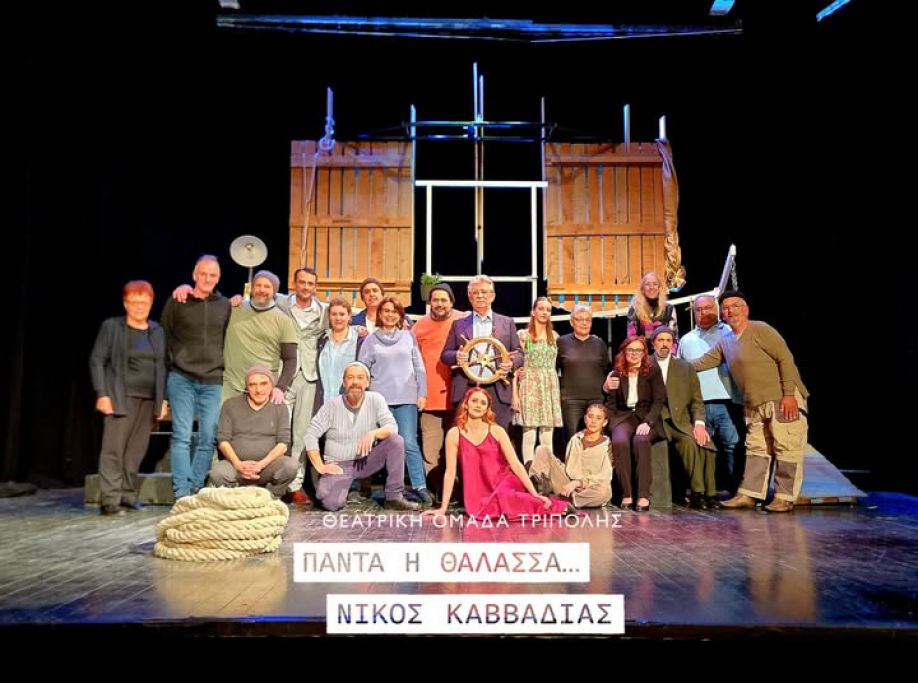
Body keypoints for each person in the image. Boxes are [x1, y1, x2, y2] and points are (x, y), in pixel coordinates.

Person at [692, 290, 809, 513]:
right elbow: (701, 363)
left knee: (787, 447)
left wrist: (788, 395)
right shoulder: (726, 342)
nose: (730, 311)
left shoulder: (760, 329)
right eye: (726, 308)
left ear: (745, 309)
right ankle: (750, 494)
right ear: (722, 314)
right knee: (756, 449)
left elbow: (785, 359)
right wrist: (669, 367)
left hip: (780, 399)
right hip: (753, 404)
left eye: (735, 306)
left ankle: (785, 497)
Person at [424, 388, 569, 521]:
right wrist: (443, 508)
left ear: (487, 409)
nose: (478, 405)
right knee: (487, 510)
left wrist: (534, 494)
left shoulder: (496, 430)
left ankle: (560, 508)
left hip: (504, 482)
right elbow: (450, 472)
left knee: (506, 497)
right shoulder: (454, 434)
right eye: (474, 401)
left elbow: (516, 464)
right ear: (466, 404)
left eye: (483, 403)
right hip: (477, 495)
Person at [89, 280, 168, 515]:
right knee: (113, 450)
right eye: (134, 302)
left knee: (135, 450)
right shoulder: (112, 327)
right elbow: (97, 360)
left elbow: (163, 366)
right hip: (120, 397)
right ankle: (110, 500)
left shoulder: (157, 331)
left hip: (148, 400)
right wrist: (102, 394)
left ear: (151, 303)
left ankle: (127, 495)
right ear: (125, 304)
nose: (139, 307)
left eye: (144, 302)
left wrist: (163, 400)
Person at [304, 362, 420, 512]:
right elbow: (310, 434)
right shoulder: (331, 405)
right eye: (350, 378)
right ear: (344, 382)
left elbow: (392, 427)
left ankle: (394, 497)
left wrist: (373, 433)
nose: (355, 382)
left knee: (396, 441)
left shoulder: (376, 399)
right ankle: (341, 489)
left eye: (360, 378)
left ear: (367, 383)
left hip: (366, 462)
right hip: (339, 466)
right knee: (331, 504)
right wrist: (320, 466)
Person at [161, 255, 232, 499]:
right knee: (181, 435)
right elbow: (164, 337)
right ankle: (181, 491)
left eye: (212, 275)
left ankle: (195, 486)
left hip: (212, 379)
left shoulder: (224, 305)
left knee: (208, 436)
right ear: (194, 275)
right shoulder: (178, 300)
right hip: (181, 377)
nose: (207, 279)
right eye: (203, 274)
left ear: (218, 278)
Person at [358, 296, 431, 506]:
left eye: (394, 311)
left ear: (400, 315)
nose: (390, 315)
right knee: (379, 444)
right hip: (379, 400)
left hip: (406, 398)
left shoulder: (408, 336)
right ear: (379, 314)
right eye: (386, 311)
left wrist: (422, 393)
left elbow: (419, 367)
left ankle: (419, 486)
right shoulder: (370, 340)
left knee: (409, 442)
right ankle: (368, 486)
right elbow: (362, 369)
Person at [677, 295, 744, 493]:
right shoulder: (686, 339)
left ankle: (736, 491)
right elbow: (680, 373)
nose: (703, 313)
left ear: (716, 309)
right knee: (703, 448)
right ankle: (706, 491)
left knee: (731, 446)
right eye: (698, 310)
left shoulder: (730, 332)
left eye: (707, 308)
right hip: (699, 405)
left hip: (727, 401)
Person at [441, 275, 524, 430]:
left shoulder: (507, 323)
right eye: (475, 292)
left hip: (498, 389)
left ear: (492, 296)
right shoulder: (458, 324)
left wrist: (510, 363)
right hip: (467, 387)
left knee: (497, 436)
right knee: (465, 436)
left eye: (484, 292)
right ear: (469, 297)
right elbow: (445, 355)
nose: (480, 296)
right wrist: (456, 356)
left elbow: (519, 353)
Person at [275, 267, 328, 505]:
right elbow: (253, 301)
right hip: (283, 375)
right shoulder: (280, 305)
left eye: (310, 283)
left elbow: (348, 317)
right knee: (280, 431)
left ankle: (295, 485)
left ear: (315, 287)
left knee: (302, 433)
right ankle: (277, 482)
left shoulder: (324, 311)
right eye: (302, 282)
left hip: (309, 375)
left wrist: (358, 327)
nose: (306, 287)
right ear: (294, 284)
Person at [650, 327, 719, 510]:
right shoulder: (645, 364)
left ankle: (701, 494)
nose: (664, 344)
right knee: (689, 442)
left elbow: (697, 400)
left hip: (680, 422)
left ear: (673, 344)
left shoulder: (685, 367)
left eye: (668, 340)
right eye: (660, 340)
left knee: (700, 442)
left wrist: (699, 424)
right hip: (656, 422)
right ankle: (699, 492)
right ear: (653, 343)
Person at [207, 366, 298, 497]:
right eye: (252, 385)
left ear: (271, 386)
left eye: (263, 384)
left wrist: (260, 465)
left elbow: (283, 444)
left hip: (266, 467)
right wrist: (238, 464)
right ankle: (236, 498)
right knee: (217, 473)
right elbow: (223, 441)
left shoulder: (279, 407)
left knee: (291, 466)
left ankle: (269, 497)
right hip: (236, 466)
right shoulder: (230, 405)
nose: (258, 390)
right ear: (247, 387)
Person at [411, 282, 465, 501]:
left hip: (458, 396)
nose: (439, 304)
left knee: (458, 447)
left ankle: (459, 490)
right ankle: (435, 490)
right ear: (429, 302)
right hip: (429, 397)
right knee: (431, 448)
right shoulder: (419, 326)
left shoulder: (463, 321)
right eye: (435, 300)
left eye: (444, 300)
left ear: (451, 302)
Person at [603, 336, 665, 511]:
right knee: (619, 441)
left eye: (638, 350)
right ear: (624, 352)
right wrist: (610, 423)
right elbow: (611, 403)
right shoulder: (617, 373)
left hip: (646, 417)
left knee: (641, 440)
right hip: (623, 417)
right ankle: (627, 494)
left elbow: (658, 401)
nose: (634, 353)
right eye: (630, 350)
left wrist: (648, 422)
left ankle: (643, 495)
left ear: (644, 353)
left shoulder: (653, 371)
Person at [222, 270, 297, 403]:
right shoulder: (234, 310)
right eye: (258, 285)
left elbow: (290, 359)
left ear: (274, 291)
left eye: (267, 286)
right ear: (252, 288)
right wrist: (225, 304)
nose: (262, 290)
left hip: (264, 391)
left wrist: (280, 388)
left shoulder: (284, 321)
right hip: (230, 387)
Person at [530, 402, 613, 508]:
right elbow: (569, 469)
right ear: (585, 418)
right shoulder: (576, 439)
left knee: (605, 492)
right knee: (542, 450)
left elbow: (605, 477)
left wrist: (579, 483)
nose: (593, 421)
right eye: (590, 417)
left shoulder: (607, 444)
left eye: (598, 418)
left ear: (604, 422)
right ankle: (535, 493)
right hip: (567, 485)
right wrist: (568, 481)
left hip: (590, 488)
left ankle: (567, 501)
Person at [512, 296, 562, 465]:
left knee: (547, 435)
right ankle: (529, 472)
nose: (544, 312)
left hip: (549, 386)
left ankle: (546, 471)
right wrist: (515, 395)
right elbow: (516, 368)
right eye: (541, 309)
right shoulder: (522, 335)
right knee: (529, 433)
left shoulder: (554, 336)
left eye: (548, 310)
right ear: (533, 312)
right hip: (529, 385)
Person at [556, 304, 610, 441]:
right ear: (572, 322)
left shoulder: (599, 343)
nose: (584, 323)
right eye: (580, 319)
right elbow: (553, 369)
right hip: (571, 401)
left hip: (596, 399)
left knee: (595, 439)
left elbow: (607, 369)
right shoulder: (561, 343)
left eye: (588, 320)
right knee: (573, 439)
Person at [315, 296, 363, 409]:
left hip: (349, 404)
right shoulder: (322, 340)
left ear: (349, 316)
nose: (338, 318)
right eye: (334, 314)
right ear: (329, 316)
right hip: (324, 404)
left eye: (342, 314)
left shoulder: (358, 340)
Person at [627, 272, 678, 347]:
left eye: (655, 284)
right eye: (647, 284)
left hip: (663, 351)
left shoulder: (669, 309)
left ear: (659, 288)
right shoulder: (634, 309)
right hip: (642, 352)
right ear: (642, 289)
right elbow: (631, 339)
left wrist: (672, 354)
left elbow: (674, 338)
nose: (651, 287)